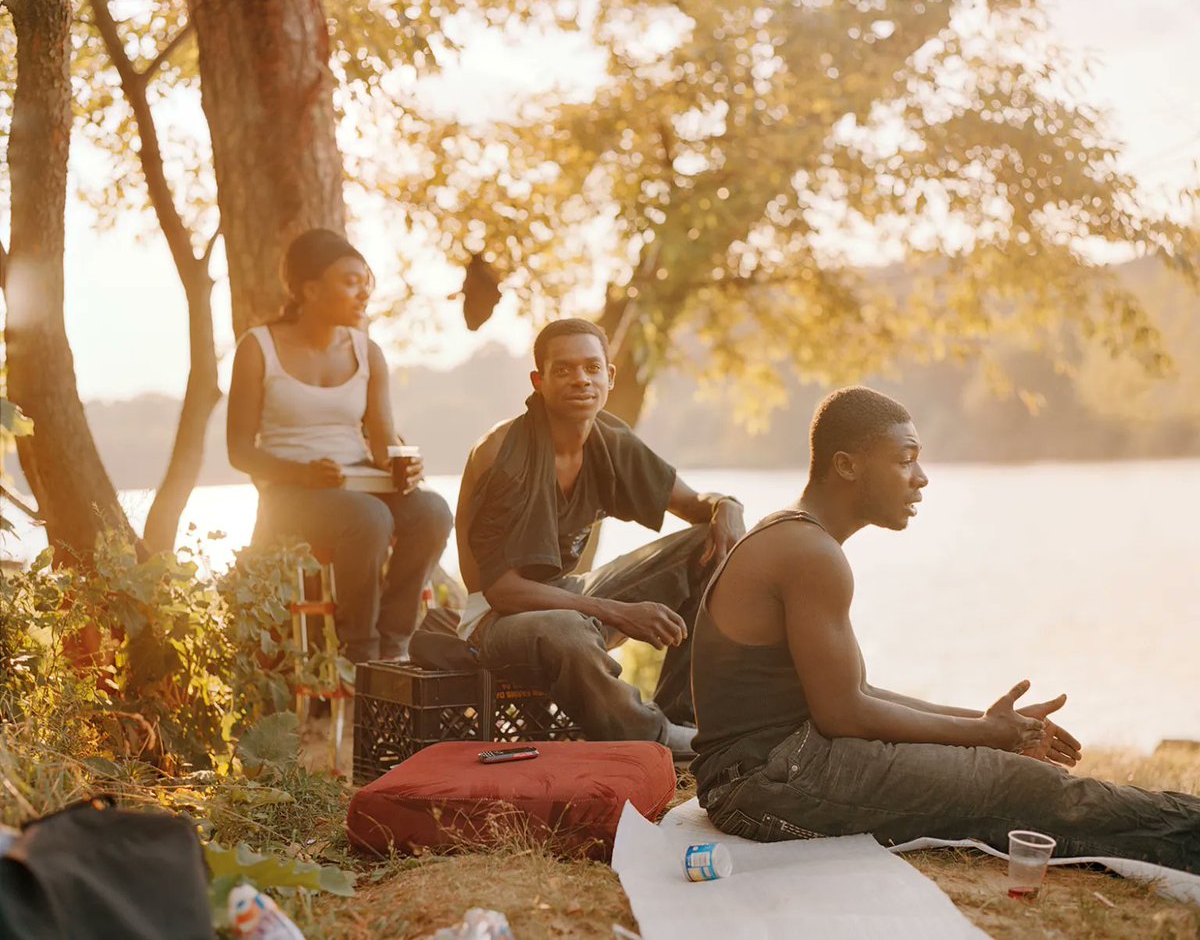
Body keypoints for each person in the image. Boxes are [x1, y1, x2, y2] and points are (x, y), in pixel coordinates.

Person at [690, 386, 1199, 870]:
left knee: (1016, 776)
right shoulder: (810, 552)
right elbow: (844, 713)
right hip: (764, 783)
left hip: (773, 768)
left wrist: (989, 728)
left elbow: (857, 693)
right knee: (1021, 789)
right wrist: (984, 736)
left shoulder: (799, 538)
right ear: (846, 466)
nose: (922, 478)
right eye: (905, 459)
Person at [454, 318, 746, 752]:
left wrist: (728, 506)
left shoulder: (610, 439)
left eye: (592, 367)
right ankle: (653, 737)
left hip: (567, 597)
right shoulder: (503, 451)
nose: (581, 380)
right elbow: (502, 591)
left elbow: (691, 503)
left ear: (609, 376)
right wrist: (617, 612)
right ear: (539, 381)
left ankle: (680, 715)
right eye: (564, 369)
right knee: (569, 630)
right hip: (494, 623)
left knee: (713, 544)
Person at [227, 228, 453, 663]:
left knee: (432, 512)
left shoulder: (368, 352)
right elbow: (239, 451)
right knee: (367, 518)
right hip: (290, 493)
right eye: (350, 281)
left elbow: (384, 440)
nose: (363, 292)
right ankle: (361, 652)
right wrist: (302, 474)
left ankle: (395, 645)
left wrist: (403, 466)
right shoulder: (258, 348)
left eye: (365, 281)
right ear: (309, 289)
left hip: (356, 480)